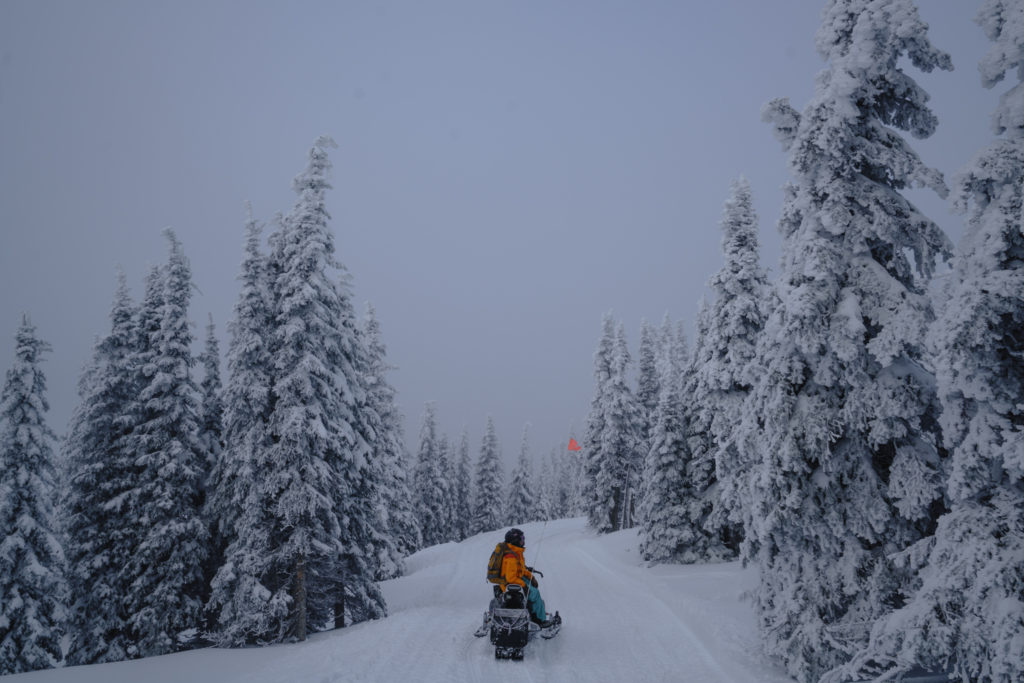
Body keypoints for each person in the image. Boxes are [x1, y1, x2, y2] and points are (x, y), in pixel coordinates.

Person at [492, 527, 554, 627]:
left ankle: (531, 611)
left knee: (532, 587)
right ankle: (539, 620)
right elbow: (510, 578)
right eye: (522, 538)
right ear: (515, 540)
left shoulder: (515, 552)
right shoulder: (511, 556)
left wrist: (531, 577)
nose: (523, 540)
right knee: (535, 593)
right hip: (511, 584)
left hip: (515, 580)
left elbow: (520, 570)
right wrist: (524, 586)